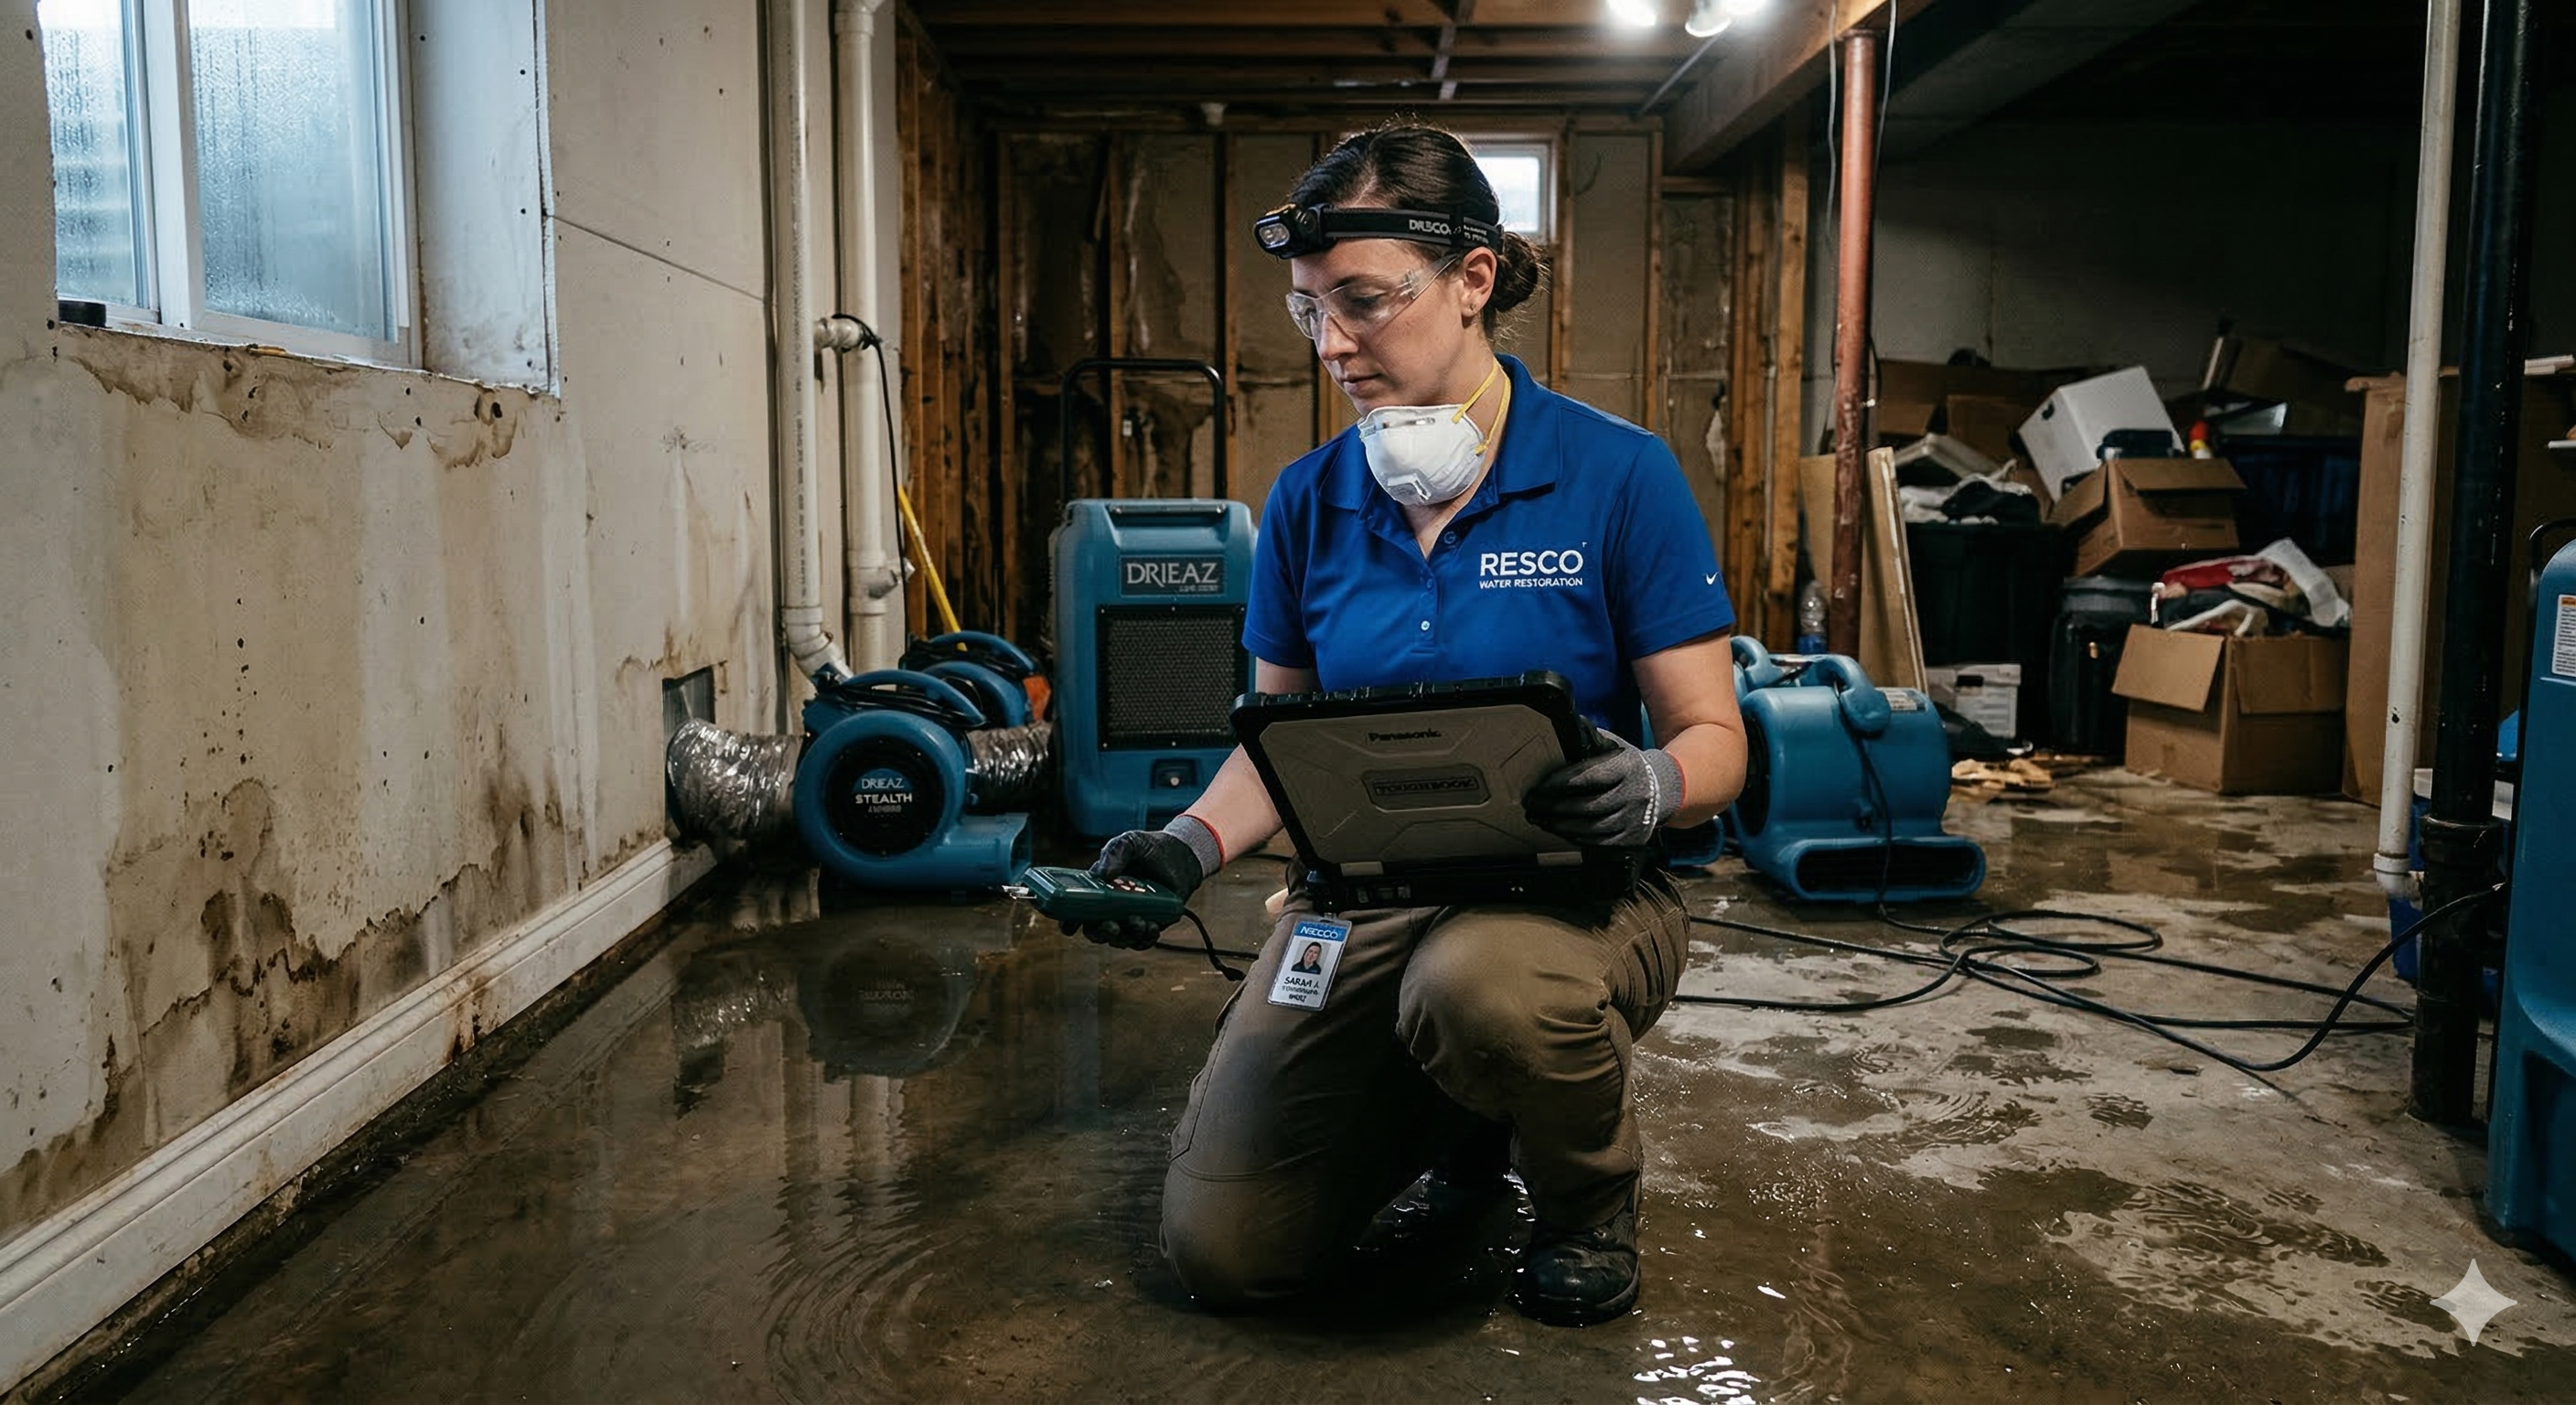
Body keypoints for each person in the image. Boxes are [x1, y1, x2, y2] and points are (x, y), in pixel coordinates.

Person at [1064, 123, 1748, 1326]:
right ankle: (1459, 1116)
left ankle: (1584, 1204)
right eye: (1308, 311)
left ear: (1473, 279)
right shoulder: (1307, 502)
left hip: (1572, 904)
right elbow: (1274, 742)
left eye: (1366, 303)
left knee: (1480, 988)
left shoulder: (1618, 476)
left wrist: (1649, 781)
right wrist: (1183, 848)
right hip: (1364, 902)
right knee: (1229, 1251)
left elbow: (1716, 739)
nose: (1334, 344)